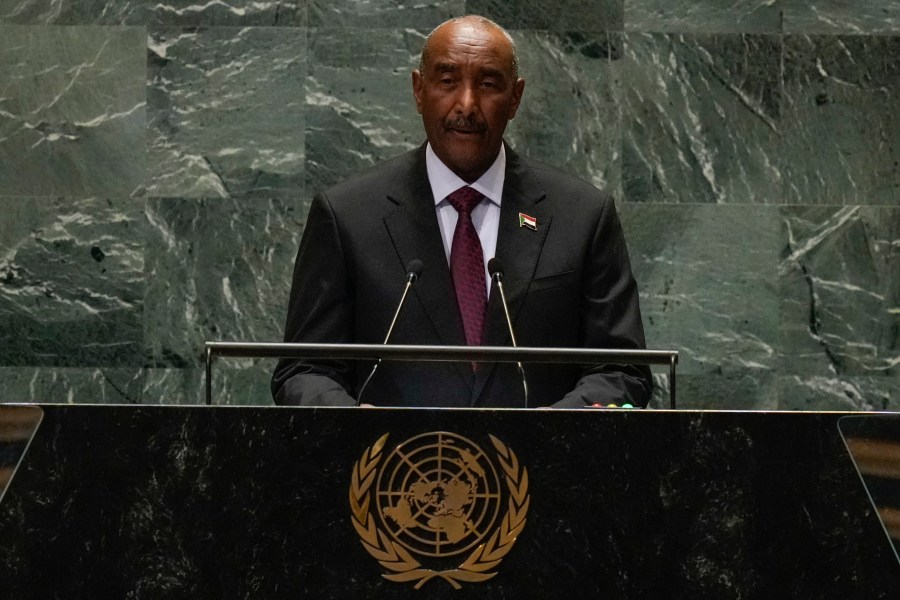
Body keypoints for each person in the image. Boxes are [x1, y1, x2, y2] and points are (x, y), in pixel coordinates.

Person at [271, 15, 652, 408]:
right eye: (448, 80)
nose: (467, 105)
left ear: (516, 98)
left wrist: (548, 432)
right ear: (419, 90)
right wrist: (357, 427)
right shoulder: (347, 216)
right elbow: (304, 370)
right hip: (393, 465)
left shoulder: (582, 216)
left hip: (543, 464)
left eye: (488, 84)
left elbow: (622, 370)